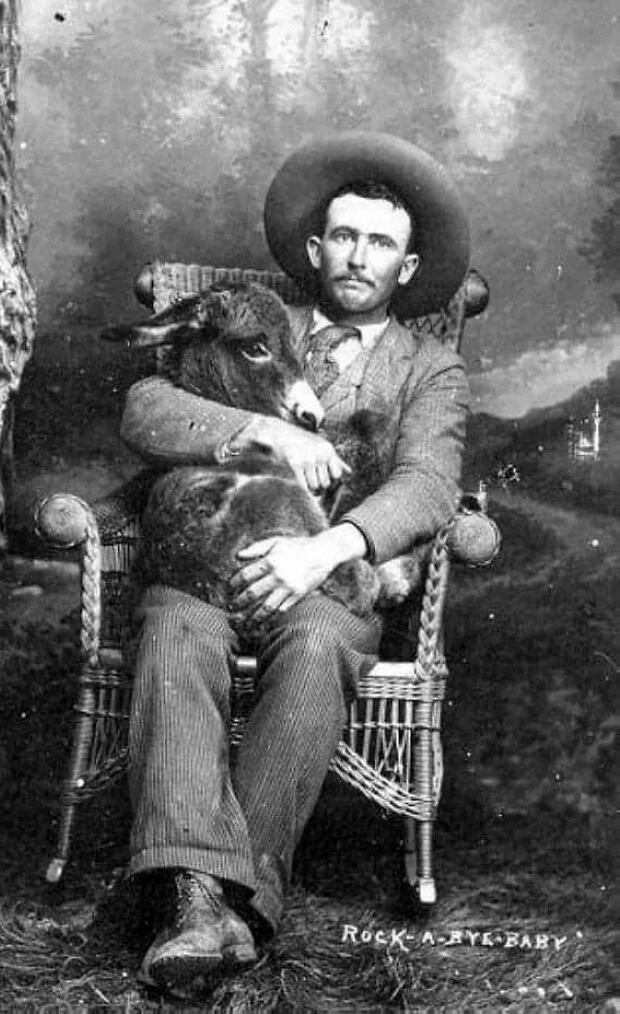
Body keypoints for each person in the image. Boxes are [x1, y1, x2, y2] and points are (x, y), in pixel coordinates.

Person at [120, 132, 470, 995]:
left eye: (380, 243)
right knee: (172, 630)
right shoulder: (255, 320)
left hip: (329, 576)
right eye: (344, 237)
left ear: (408, 263)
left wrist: (325, 549)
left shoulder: (430, 366)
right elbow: (146, 404)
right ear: (316, 249)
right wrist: (260, 428)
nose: (358, 257)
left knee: (317, 645)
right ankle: (196, 903)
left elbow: (429, 485)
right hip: (206, 559)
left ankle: (240, 901)